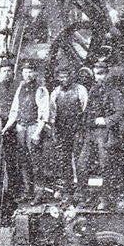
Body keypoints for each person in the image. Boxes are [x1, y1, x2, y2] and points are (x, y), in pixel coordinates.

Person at [2, 61, 50, 201]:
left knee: (36, 162)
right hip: (21, 127)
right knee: (23, 161)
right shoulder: (20, 88)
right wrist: (6, 128)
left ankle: (39, 193)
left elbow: (44, 113)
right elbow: (14, 111)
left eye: (30, 72)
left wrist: (37, 132)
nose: (27, 74)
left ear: (35, 73)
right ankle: (28, 192)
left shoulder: (41, 90)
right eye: (25, 72)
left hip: (33, 127)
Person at [77, 60, 124, 189]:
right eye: (96, 74)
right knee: (82, 163)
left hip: (105, 133)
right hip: (91, 131)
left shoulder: (114, 92)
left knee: (105, 165)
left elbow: (121, 112)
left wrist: (106, 120)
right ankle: (82, 193)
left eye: (101, 73)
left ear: (107, 74)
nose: (98, 77)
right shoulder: (93, 90)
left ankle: (107, 195)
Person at [49, 64, 88, 194]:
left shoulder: (80, 90)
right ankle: (68, 189)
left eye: (66, 76)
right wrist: (54, 131)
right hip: (62, 130)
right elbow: (53, 114)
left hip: (77, 129)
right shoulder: (56, 92)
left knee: (80, 161)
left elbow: (85, 109)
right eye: (61, 77)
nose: (64, 79)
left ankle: (81, 190)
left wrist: (82, 129)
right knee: (64, 160)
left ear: (72, 76)